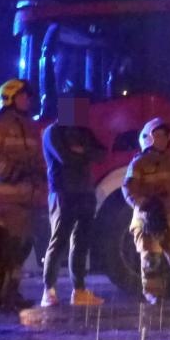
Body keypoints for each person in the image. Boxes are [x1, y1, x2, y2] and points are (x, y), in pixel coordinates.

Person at [0, 79, 45, 308]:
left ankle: (11, 293)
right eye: (23, 96)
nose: (28, 100)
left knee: (21, 249)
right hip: (7, 201)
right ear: (9, 98)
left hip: (28, 200)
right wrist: (13, 171)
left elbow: (38, 161)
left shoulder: (30, 127)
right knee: (5, 250)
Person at [121, 117, 170, 303]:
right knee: (151, 262)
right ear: (147, 138)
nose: (162, 139)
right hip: (148, 222)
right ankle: (154, 298)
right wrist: (146, 206)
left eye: (164, 136)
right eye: (157, 135)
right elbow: (128, 189)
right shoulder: (138, 164)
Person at [40, 91, 107, 307]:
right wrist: (85, 153)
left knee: (81, 243)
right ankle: (48, 291)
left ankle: (79, 291)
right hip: (63, 193)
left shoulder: (83, 132)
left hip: (85, 192)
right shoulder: (52, 132)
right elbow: (65, 158)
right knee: (58, 241)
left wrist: (81, 151)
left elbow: (102, 153)